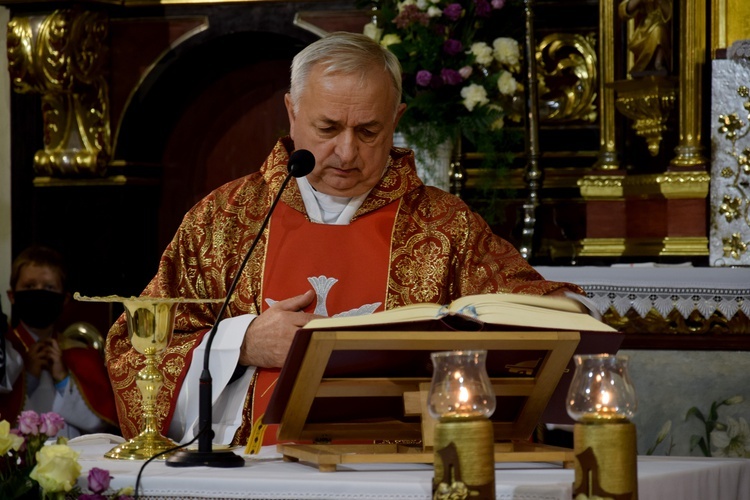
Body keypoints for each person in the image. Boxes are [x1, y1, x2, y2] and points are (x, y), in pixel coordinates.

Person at [105, 31, 584, 448]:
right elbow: (136, 351)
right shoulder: (224, 219)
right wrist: (243, 343)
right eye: (328, 128)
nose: (347, 152)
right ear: (292, 113)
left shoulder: (445, 226)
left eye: (369, 130)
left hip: (403, 470)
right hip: (251, 468)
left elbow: (546, 318)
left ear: (396, 118)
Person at [1, 246, 118, 437]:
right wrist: (28, 378)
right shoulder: (6, 352)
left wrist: (63, 378)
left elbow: (101, 423)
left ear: (64, 299)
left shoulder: (80, 352)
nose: (39, 293)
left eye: (49, 287)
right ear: (12, 296)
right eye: (29, 286)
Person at [619, 0, 672, 74]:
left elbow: (671, 13)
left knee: (658, 31)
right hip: (646, 26)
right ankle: (643, 67)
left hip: (662, 22)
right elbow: (623, 11)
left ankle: (658, 63)